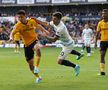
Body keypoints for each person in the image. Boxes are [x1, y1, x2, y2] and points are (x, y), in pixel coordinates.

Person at [38, 12, 83, 76]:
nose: (53, 20)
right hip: (65, 43)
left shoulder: (60, 28)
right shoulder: (55, 22)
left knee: (59, 61)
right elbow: (47, 24)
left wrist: (45, 36)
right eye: (53, 18)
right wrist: (37, 20)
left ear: (59, 19)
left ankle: (76, 66)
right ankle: (79, 54)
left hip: (68, 45)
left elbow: (54, 39)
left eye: (55, 19)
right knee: (68, 52)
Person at [9, 10, 49, 83]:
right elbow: (12, 32)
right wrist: (11, 37)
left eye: (21, 17)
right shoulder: (18, 25)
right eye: (19, 17)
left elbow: (38, 25)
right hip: (27, 45)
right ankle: (38, 77)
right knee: (30, 66)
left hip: (34, 41)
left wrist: (45, 31)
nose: (20, 18)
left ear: (25, 16)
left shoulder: (31, 21)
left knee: (37, 48)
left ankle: (36, 67)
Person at [95, 9, 108, 76]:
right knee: (102, 55)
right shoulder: (100, 23)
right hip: (103, 41)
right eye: (103, 13)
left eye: (105, 13)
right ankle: (102, 71)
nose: (103, 15)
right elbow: (97, 33)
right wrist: (95, 42)